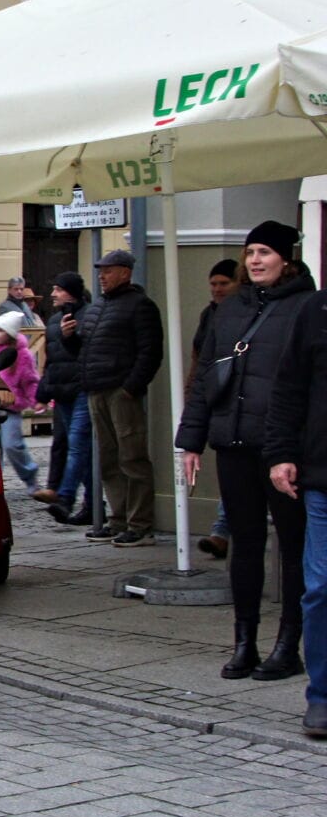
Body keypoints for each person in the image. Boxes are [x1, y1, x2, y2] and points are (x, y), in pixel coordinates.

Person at [179, 221, 315, 680]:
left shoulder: (307, 307)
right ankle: (245, 642)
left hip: (285, 451)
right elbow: (204, 380)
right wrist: (191, 439)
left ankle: (288, 644)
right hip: (233, 442)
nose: (255, 260)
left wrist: (295, 447)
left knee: (294, 548)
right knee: (246, 545)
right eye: (250, 252)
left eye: (265, 252)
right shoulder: (229, 309)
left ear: (286, 258)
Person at [264, 275, 327, 736]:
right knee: (321, 586)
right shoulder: (316, 311)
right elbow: (288, 388)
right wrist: (282, 453)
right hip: (323, 474)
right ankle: (322, 696)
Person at [68, 249, 163, 545]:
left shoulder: (140, 306)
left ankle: (139, 523)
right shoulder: (98, 307)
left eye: (107, 270)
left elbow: (151, 351)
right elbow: (85, 351)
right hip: (97, 389)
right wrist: (70, 338)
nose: (102, 276)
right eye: (100, 271)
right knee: (108, 459)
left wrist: (130, 388)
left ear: (125, 272)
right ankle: (118, 518)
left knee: (132, 457)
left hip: (121, 391)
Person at [34, 272, 94, 525]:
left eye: (58, 289)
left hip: (82, 388)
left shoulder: (88, 316)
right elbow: (52, 362)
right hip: (63, 392)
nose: (53, 294)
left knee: (78, 445)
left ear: (71, 292)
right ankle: (93, 505)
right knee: (81, 451)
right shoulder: (55, 321)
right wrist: (43, 393)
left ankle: (65, 498)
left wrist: (73, 337)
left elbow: (86, 354)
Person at [192, 258, 240, 559]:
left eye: (224, 283)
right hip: (215, 400)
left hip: (240, 404)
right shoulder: (209, 315)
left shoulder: (244, 315)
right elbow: (200, 359)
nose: (218, 289)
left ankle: (222, 530)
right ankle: (223, 530)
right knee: (230, 475)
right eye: (214, 284)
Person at [0, 310, 42, 491]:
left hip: (11, 408)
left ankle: (30, 478)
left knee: (12, 445)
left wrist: (36, 399)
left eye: (1, 330)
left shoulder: (22, 356)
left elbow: (30, 381)